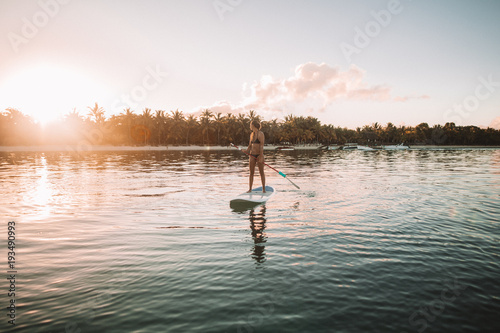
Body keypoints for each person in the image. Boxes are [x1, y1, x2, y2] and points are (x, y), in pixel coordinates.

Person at [245, 120, 266, 193]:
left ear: (253, 125)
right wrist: (246, 150)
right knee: (251, 173)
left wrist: (260, 156)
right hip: (252, 155)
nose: (250, 126)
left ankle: (264, 189)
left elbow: (261, 145)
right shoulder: (251, 134)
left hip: (259, 155)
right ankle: (250, 189)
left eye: (250, 125)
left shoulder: (260, 134)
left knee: (261, 172)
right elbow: (250, 145)